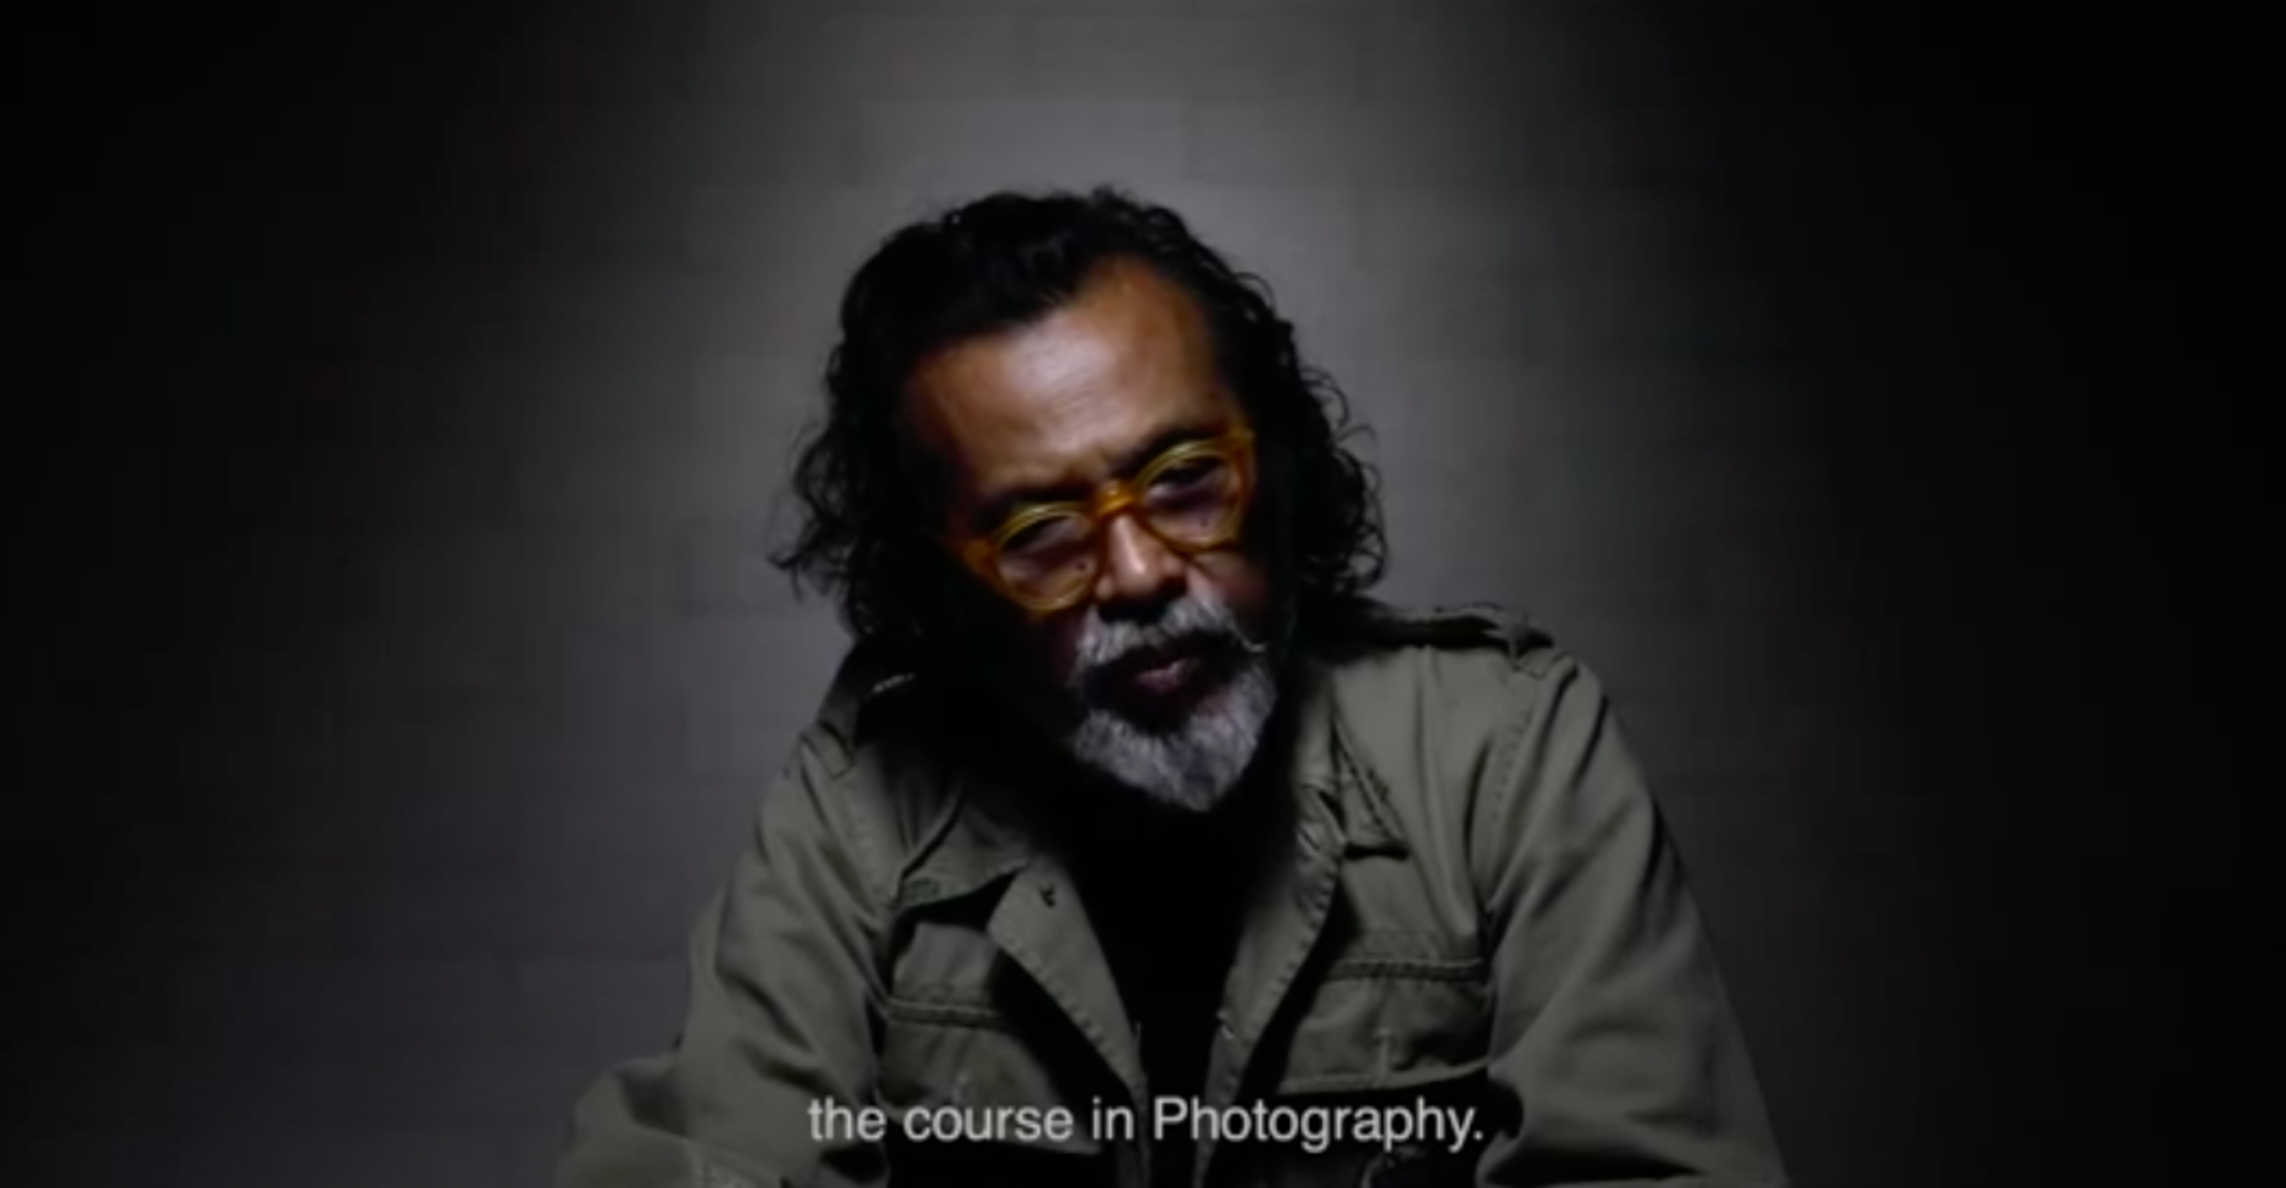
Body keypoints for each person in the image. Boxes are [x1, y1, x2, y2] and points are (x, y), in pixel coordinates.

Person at [554, 187, 1788, 1188]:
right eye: (1040, 534)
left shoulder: (1503, 750)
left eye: (1189, 480)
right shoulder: (867, 791)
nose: (1141, 574)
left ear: (1280, 464)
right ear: (943, 591)